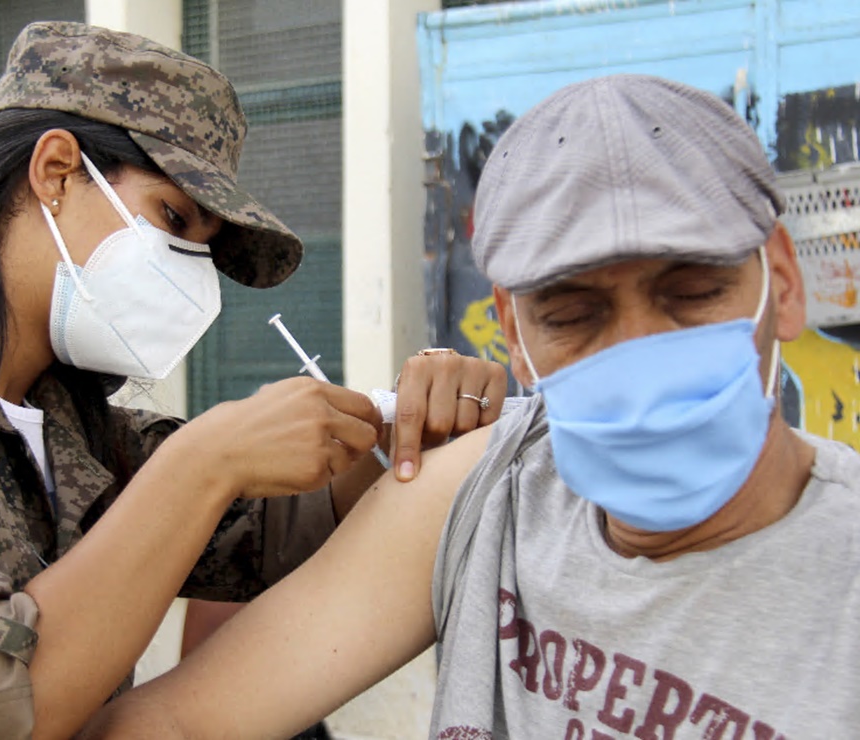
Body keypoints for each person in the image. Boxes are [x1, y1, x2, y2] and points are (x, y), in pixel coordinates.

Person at [0, 22, 507, 740]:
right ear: (54, 170)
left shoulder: (58, 410)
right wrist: (206, 461)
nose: (190, 268)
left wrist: (405, 429)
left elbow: (266, 531)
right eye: (175, 220)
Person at [80, 74, 860, 738]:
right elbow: (179, 724)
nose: (637, 355)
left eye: (692, 293)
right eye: (571, 315)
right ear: (514, 335)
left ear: (782, 285)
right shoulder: (492, 495)